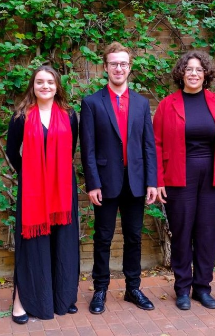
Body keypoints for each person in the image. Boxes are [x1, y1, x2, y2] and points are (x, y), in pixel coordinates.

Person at [153, 51, 215, 310]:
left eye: (199, 69)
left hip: (214, 178)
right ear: (181, 74)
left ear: (206, 75)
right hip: (179, 178)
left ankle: (202, 287)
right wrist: (158, 180)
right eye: (189, 69)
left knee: (207, 234)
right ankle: (182, 288)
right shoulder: (167, 105)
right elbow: (156, 145)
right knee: (181, 233)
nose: (193, 73)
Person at [79, 42, 157, 314]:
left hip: (136, 182)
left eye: (123, 63)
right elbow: (87, 148)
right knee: (103, 238)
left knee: (134, 237)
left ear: (130, 67)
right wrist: (93, 183)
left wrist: (151, 182)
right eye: (114, 63)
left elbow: (149, 145)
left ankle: (132, 288)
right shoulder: (91, 103)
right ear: (106, 67)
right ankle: (100, 289)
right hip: (106, 182)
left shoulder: (141, 102)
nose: (119, 68)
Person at [6, 66, 79, 323]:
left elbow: (71, 150)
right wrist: (29, 173)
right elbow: (12, 151)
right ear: (33, 86)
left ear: (57, 86)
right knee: (31, 246)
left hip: (62, 189)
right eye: (40, 82)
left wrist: (55, 173)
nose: (45, 86)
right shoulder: (21, 117)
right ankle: (21, 300)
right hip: (34, 189)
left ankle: (62, 297)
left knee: (62, 243)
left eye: (50, 82)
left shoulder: (70, 115)